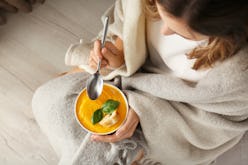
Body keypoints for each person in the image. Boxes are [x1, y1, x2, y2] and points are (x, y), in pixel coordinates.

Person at [32, 0, 248, 164]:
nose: (164, 31)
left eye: (183, 33)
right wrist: (118, 55)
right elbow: (126, 26)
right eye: (162, 16)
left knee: (95, 155)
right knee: (47, 99)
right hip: (130, 79)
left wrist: (146, 112)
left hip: (172, 120)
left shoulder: (239, 75)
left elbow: (214, 124)